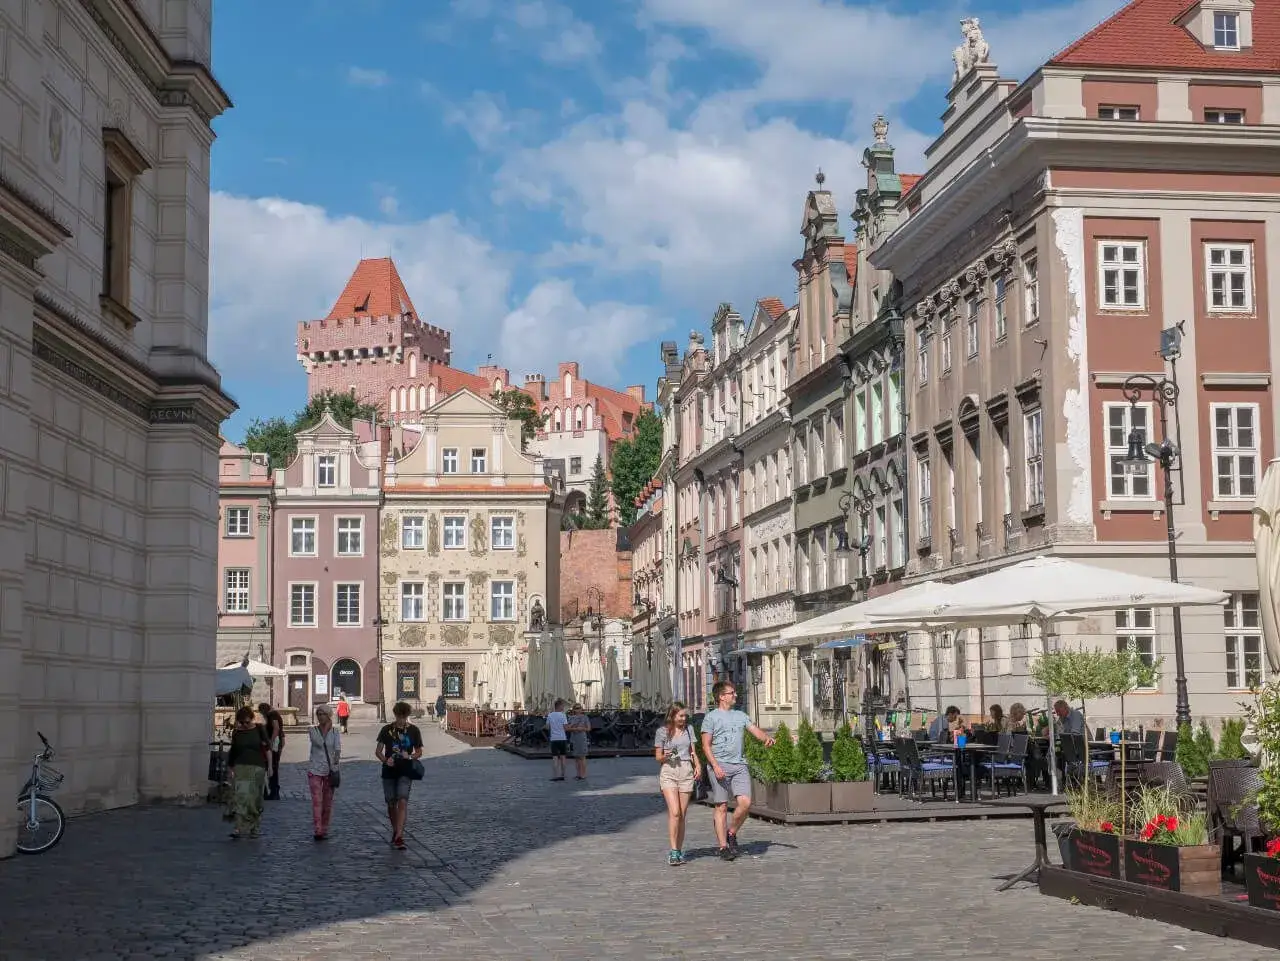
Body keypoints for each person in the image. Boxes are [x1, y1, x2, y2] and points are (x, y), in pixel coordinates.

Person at [701, 680, 775, 861]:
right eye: (731, 693)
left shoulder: (740, 715)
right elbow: (705, 745)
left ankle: (731, 833)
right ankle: (723, 847)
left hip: (739, 765)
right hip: (719, 765)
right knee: (722, 806)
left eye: (734, 692)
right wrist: (715, 766)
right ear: (721, 697)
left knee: (745, 803)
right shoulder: (711, 717)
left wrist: (768, 739)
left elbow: (756, 731)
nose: (735, 695)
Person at [654, 702, 701, 866]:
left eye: (685, 715)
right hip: (669, 772)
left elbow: (693, 751)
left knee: (681, 814)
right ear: (672, 716)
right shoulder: (662, 732)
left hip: (686, 771)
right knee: (674, 812)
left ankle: (679, 850)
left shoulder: (689, 730)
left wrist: (698, 766)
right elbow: (657, 757)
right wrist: (664, 756)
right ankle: (673, 851)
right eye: (680, 715)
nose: (683, 718)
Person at [375, 702, 423, 850]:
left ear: (407, 716)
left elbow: (419, 751)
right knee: (391, 802)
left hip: (405, 770)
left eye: (404, 717)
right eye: (399, 717)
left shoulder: (414, 730)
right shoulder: (386, 730)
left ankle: (399, 836)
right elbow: (378, 751)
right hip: (389, 770)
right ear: (395, 715)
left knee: (402, 800)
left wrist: (409, 756)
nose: (401, 720)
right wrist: (385, 760)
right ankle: (396, 829)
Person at [226, 706, 269, 840]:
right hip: (241, 766)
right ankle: (238, 828)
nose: (244, 725)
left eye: (247, 722)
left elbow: (267, 748)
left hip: (257, 766)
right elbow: (233, 751)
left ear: (251, 719)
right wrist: (230, 768)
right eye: (241, 722)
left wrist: (271, 767)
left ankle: (254, 827)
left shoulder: (259, 729)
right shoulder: (237, 733)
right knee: (241, 797)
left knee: (254, 799)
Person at [307, 704, 342, 841]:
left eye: (323, 714)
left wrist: (335, 765)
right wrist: (327, 728)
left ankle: (325, 827)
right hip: (315, 769)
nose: (320, 717)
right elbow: (319, 743)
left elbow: (337, 749)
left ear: (328, 716)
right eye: (319, 714)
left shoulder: (335, 732)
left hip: (330, 771)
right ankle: (318, 829)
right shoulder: (313, 730)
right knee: (317, 801)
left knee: (327, 802)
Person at [258, 701, 285, 801]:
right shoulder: (274, 714)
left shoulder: (272, 715)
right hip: (277, 742)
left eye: (261, 712)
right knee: (273, 766)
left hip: (274, 743)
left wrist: (270, 741)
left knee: (272, 767)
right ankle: (272, 791)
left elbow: (276, 729)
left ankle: (274, 792)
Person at [546, 699, 570, 781]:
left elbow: (547, 727)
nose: (563, 707)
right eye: (562, 706)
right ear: (559, 706)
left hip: (554, 739)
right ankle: (563, 775)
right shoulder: (563, 715)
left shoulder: (550, 715)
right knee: (563, 757)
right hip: (562, 738)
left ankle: (555, 775)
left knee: (555, 758)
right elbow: (566, 728)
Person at [566, 704, 590, 780]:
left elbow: (589, 728)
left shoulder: (585, 717)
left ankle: (583, 774)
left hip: (582, 738)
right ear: (573, 709)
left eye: (579, 708)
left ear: (581, 709)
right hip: (574, 738)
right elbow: (567, 728)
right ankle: (578, 774)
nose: (578, 710)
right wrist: (575, 728)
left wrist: (582, 728)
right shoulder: (571, 718)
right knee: (576, 757)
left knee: (582, 757)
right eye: (576, 708)